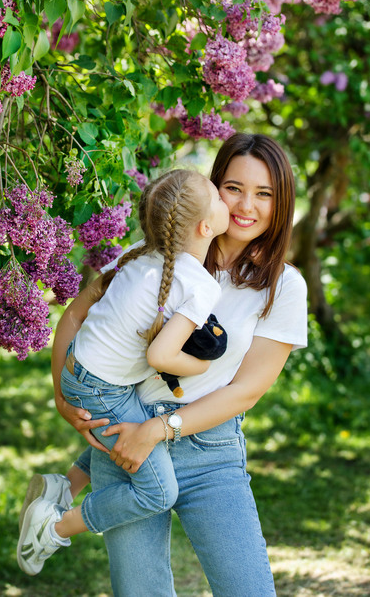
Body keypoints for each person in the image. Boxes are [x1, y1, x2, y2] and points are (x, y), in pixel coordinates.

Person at [33, 132, 307, 596]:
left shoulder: (283, 287)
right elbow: (78, 313)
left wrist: (158, 431)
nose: (246, 205)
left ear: (281, 205)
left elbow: (246, 391)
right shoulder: (159, 256)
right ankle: (60, 503)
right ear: (212, 192)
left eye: (264, 194)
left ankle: (63, 495)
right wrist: (63, 396)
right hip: (126, 436)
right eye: (234, 188)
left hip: (210, 453)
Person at [17, 168, 230, 575]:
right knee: (159, 493)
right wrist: (201, 364)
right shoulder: (200, 286)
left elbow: (81, 313)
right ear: (206, 226)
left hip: (80, 371)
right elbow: (161, 356)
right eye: (219, 199)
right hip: (101, 390)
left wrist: (63, 391)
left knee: (138, 421)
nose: (225, 200)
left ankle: (64, 485)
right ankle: (54, 526)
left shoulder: (142, 252)